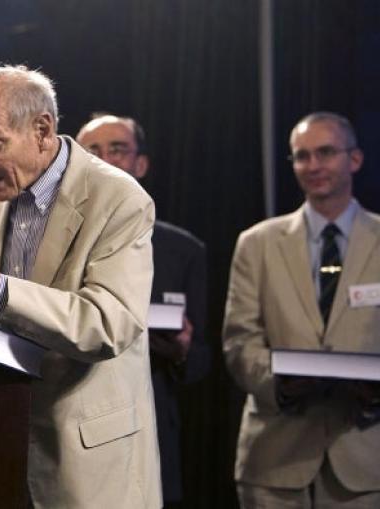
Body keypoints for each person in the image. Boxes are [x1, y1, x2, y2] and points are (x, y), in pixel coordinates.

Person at [0, 65, 162, 508]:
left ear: (42, 129)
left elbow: (108, 324)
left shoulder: (120, 198)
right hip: (0, 444)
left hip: (87, 461)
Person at [223, 112, 380, 508]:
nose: (313, 166)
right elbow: (239, 340)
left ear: (355, 159)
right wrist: (278, 382)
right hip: (274, 461)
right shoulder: (256, 243)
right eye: (301, 156)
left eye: (325, 153)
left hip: (365, 460)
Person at [77, 114, 209, 506]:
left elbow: (202, 361)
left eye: (117, 149)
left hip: (149, 424)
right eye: (92, 151)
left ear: (141, 164)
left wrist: (182, 350)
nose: (104, 160)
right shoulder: (54, 240)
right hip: (70, 414)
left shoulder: (184, 250)